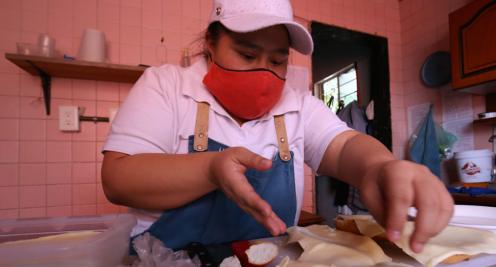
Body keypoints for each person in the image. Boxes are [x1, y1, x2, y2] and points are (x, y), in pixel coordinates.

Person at [101, 0, 453, 254]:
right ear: (211, 43)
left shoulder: (297, 105)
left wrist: (380, 167)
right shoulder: (165, 86)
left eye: (277, 60)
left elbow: (345, 147)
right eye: (247, 54)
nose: (263, 72)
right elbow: (119, 179)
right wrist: (210, 169)